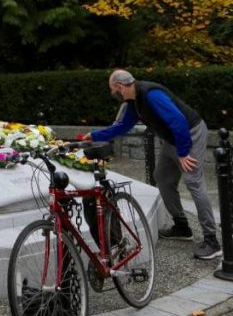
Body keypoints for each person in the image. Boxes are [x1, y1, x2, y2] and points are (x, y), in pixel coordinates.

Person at [81, 69, 221, 261]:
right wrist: (96, 135)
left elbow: (178, 121)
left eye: (112, 90)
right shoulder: (134, 102)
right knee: (162, 177)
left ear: (120, 88)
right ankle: (182, 226)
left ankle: (212, 241)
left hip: (189, 135)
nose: (112, 94)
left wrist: (183, 153)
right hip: (172, 139)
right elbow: (123, 126)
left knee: (194, 182)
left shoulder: (151, 94)